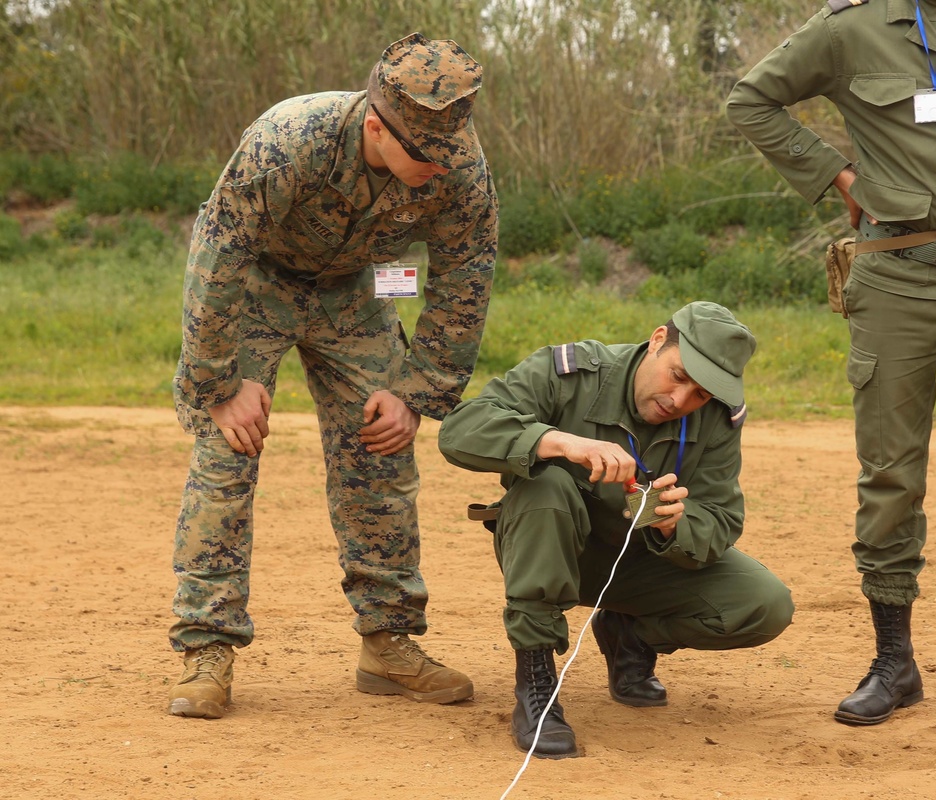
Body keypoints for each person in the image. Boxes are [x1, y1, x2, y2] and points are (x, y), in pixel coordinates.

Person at [166, 32, 498, 719]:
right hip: (256, 284)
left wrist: (418, 390)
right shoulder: (288, 141)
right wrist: (219, 384)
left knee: (381, 447)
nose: (442, 169)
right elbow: (218, 257)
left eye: (449, 155)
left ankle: (388, 642)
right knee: (228, 452)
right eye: (425, 157)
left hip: (359, 291)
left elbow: (466, 274)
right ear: (378, 127)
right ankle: (208, 649)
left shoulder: (457, 162)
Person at [727, 0, 936, 726]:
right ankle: (894, 661)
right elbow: (751, 98)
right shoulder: (852, 28)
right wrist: (836, 176)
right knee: (889, 475)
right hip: (893, 276)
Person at [438, 301, 795, 758]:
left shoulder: (718, 419)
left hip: (641, 559)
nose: (680, 401)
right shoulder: (569, 372)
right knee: (545, 486)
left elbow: (721, 517)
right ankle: (536, 681)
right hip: (548, 545)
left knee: (764, 604)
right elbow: (460, 429)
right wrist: (558, 442)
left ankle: (630, 634)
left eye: (701, 394)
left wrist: (674, 524)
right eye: (679, 377)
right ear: (658, 340)